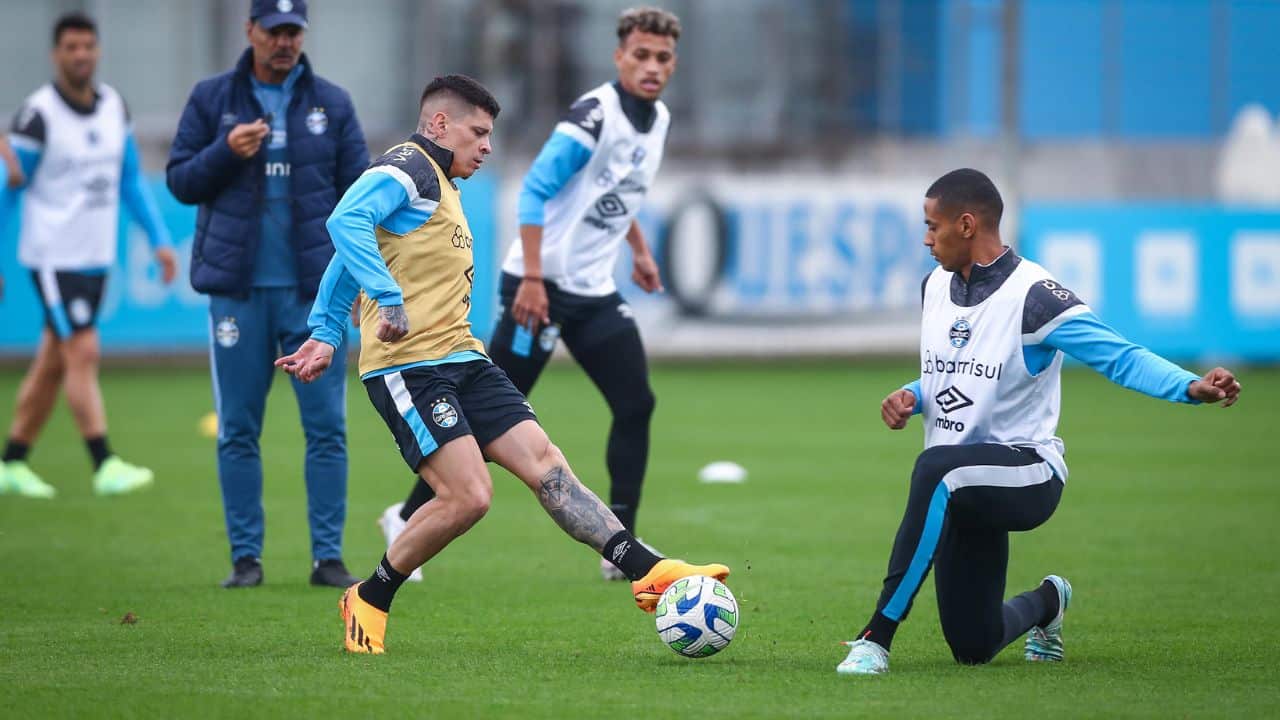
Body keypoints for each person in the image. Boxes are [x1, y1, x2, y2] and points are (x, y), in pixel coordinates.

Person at [276, 74, 729, 654]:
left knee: (547, 464)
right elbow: (346, 223)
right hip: (408, 368)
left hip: (465, 356)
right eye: (479, 132)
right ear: (441, 124)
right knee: (470, 496)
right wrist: (378, 302)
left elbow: (353, 252)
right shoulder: (407, 168)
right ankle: (370, 595)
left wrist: (324, 331)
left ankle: (647, 569)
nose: (488, 146)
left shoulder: (439, 180)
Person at [837, 168, 1242, 675]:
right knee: (973, 646)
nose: (925, 239)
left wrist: (1189, 386)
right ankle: (1050, 602)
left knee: (934, 468)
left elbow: (1120, 355)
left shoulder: (1036, 296)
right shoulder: (934, 287)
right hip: (965, 485)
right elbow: (961, 378)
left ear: (966, 225)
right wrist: (911, 396)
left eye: (931, 226)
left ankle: (876, 638)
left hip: (1028, 472)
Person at [380, 5, 680, 583]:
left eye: (662, 58)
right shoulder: (592, 117)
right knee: (491, 419)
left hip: (592, 289)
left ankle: (618, 544)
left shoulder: (659, 119)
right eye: (640, 55)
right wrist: (535, 279)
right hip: (537, 286)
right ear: (619, 56)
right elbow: (536, 189)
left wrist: (637, 249)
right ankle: (406, 515)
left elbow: (619, 190)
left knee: (636, 402)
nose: (651, 66)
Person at [166, 0, 368, 589]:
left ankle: (327, 558)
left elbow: (361, 199)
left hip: (314, 299)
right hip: (238, 294)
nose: (285, 42)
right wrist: (226, 150)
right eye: (275, 31)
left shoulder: (332, 104)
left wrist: (354, 282)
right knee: (237, 428)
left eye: (294, 32)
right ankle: (245, 559)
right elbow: (180, 180)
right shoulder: (211, 99)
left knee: (328, 428)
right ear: (249, 30)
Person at [0, 12, 176, 499]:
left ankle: (11, 461)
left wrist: (160, 239)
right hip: (52, 257)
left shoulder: (113, 107)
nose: (80, 55)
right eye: (71, 48)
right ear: (56, 54)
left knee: (53, 362)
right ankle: (104, 463)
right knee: (83, 349)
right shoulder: (38, 116)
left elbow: (130, 182)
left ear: (97, 51)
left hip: (96, 257)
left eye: (87, 46)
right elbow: (8, 190)